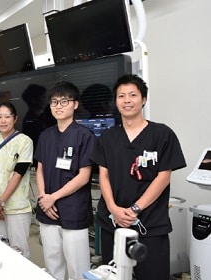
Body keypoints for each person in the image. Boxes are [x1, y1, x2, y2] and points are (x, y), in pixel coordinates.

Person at [90, 74, 186, 280]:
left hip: (149, 225)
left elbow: (163, 177)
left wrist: (135, 210)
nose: (127, 100)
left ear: (143, 99)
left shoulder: (162, 134)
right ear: (116, 102)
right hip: (112, 223)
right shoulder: (108, 137)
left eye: (133, 95)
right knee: (113, 275)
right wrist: (114, 209)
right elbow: (103, 176)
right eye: (121, 96)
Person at [34, 81, 96, 280]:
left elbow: (84, 176)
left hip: (73, 209)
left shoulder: (85, 135)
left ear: (75, 104)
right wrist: (44, 197)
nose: (58, 106)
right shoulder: (45, 135)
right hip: (47, 209)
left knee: (78, 266)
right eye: (54, 102)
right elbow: (40, 169)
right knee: (52, 263)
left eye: (64, 101)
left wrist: (53, 198)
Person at [0, 102, 33, 258]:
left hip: (16, 207)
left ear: (15, 119)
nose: (3, 121)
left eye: (7, 117)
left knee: (19, 251)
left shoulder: (25, 141)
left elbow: (18, 174)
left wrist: (1, 201)